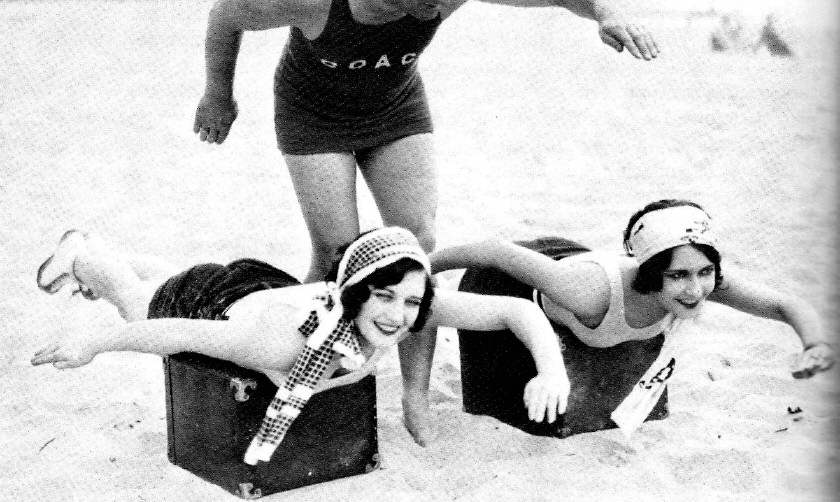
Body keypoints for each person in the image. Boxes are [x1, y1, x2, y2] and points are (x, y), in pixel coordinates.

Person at [193, 0, 659, 441]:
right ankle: (303, 369)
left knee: (417, 243)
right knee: (337, 248)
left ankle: (414, 393)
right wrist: (217, 95)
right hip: (312, 114)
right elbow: (225, 14)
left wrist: (607, 11)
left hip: (394, 109)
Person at [32, 226, 569, 464]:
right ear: (355, 293)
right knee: (138, 301)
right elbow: (176, 334)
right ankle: (82, 254)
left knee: (153, 287)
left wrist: (552, 372)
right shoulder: (280, 345)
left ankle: (114, 258)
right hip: (215, 304)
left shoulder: (410, 304)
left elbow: (516, 309)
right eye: (384, 297)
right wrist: (95, 343)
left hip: (268, 289)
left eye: (410, 302)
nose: (398, 315)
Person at [426, 199, 834, 424]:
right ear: (653, 272)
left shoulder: (702, 284)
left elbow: (785, 304)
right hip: (516, 279)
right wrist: (421, 268)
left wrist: (813, 342)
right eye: (679, 276)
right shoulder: (587, 293)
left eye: (705, 272)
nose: (695, 290)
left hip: (578, 268)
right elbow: (495, 253)